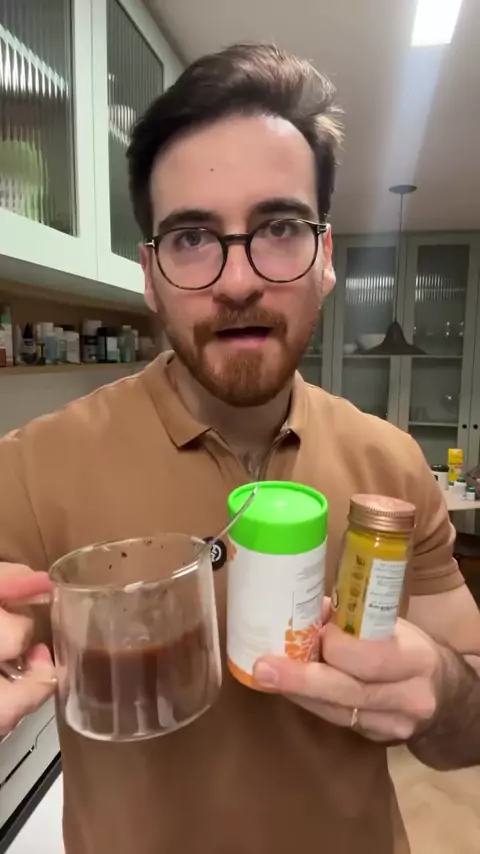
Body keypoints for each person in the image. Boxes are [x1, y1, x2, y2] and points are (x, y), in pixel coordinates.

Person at [0, 42, 479, 854]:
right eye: (192, 237)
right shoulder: (29, 471)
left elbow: (469, 725)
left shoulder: (391, 466)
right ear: (149, 274)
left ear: (326, 258)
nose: (236, 280)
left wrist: (442, 687)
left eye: (280, 228)